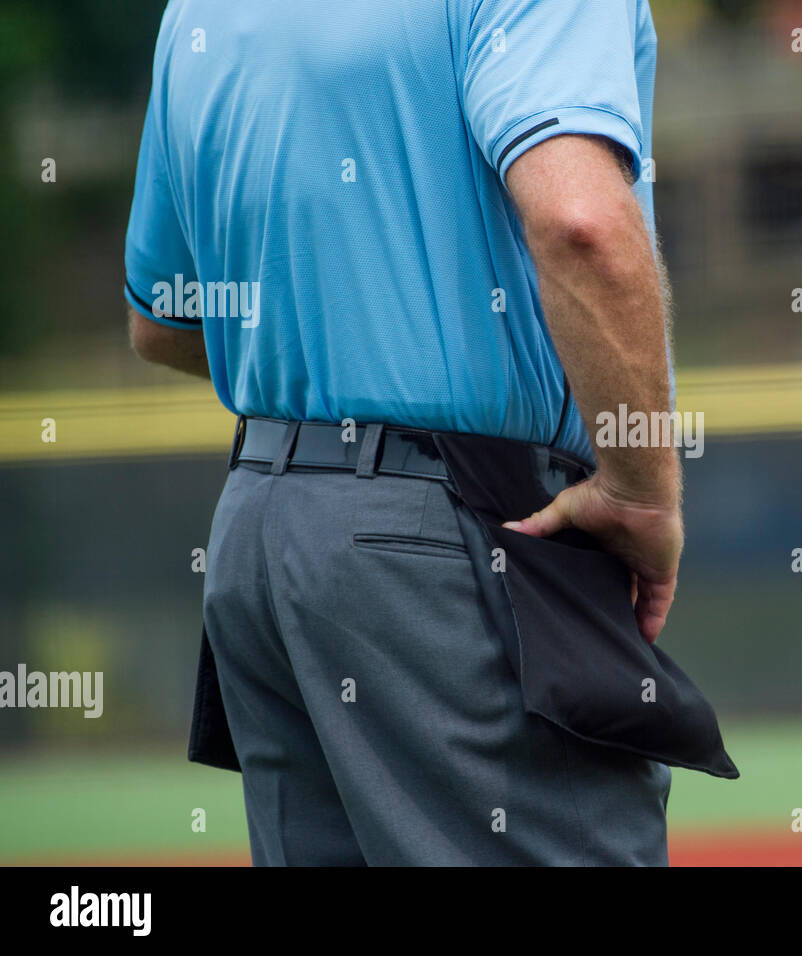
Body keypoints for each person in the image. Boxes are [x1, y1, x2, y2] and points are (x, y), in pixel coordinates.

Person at [123, 0, 734, 866]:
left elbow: (163, 319)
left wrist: (340, 343)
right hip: (449, 529)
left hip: (262, 526)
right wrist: (640, 489)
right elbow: (582, 222)